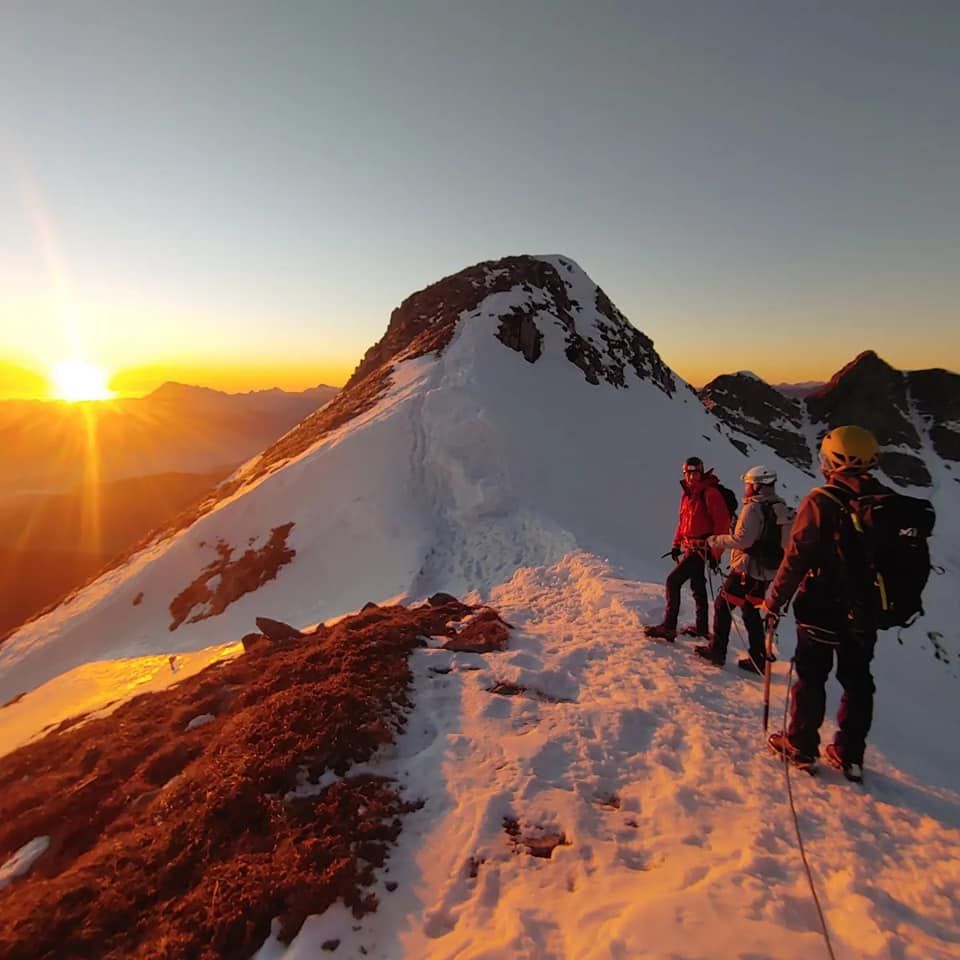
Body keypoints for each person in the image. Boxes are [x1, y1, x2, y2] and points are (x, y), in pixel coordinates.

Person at [761, 426, 888, 782]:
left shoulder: (820, 500)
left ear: (832, 461)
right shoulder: (884, 503)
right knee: (858, 679)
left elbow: (797, 556)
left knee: (812, 676)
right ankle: (850, 754)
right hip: (865, 611)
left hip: (820, 605)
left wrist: (774, 600)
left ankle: (800, 744)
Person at [692, 465, 794, 673]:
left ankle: (717, 650)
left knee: (724, 604)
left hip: (747, 568)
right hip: (767, 571)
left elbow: (742, 540)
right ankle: (758, 659)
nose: (745, 488)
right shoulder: (780, 507)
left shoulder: (753, 507)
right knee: (750, 610)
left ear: (756, 486)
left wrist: (712, 540)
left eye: (748, 484)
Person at [647, 456, 731, 642]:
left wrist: (716, 552)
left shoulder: (709, 493)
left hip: (702, 548)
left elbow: (722, 523)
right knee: (697, 586)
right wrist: (676, 544)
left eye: (695, 472)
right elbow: (683, 523)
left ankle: (669, 627)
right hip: (691, 547)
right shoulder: (688, 494)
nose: (692, 476)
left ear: (701, 472)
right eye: (688, 473)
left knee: (673, 581)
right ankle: (701, 627)